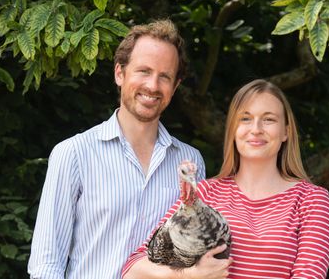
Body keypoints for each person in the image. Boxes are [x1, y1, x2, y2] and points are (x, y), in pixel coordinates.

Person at [27, 19, 205, 279]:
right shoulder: (74, 154)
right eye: (144, 71)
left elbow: (192, 253)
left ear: (175, 86)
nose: (153, 86)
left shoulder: (191, 162)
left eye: (164, 76)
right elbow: (47, 264)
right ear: (120, 73)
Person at [121, 79, 329, 279]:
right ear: (233, 130)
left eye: (269, 119)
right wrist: (191, 275)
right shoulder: (204, 193)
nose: (256, 129)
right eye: (245, 119)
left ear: (286, 132)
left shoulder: (311, 200)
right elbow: (133, 269)